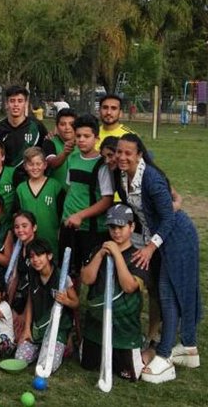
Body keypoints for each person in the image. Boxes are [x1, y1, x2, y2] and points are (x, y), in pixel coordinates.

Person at [115, 134, 201, 383]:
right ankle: (189, 348)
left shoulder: (151, 178)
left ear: (139, 155)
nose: (122, 157)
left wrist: (150, 248)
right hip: (158, 237)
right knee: (166, 291)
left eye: (128, 153)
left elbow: (169, 218)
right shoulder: (123, 175)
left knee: (168, 292)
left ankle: (164, 355)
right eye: (119, 152)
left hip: (177, 237)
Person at [80, 204, 149, 382]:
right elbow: (86, 279)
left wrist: (117, 255)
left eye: (121, 227)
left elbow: (129, 286)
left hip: (124, 331)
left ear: (132, 227)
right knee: (87, 365)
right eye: (112, 227)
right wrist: (100, 255)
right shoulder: (99, 250)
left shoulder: (138, 256)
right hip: (96, 328)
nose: (116, 232)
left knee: (129, 375)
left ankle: (151, 349)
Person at [60, 114, 113, 277]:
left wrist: (80, 215)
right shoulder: (72, 158)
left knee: (92, 273)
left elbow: (107, 200)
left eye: (86, 136)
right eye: (78, 136)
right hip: (69, 224)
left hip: (91, 228)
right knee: (68, 271)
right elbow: (71, 188)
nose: (81, 140)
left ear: (96, 138)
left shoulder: (102, 164)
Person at [15, 239, 78, 374]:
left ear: (49, 256)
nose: (35, 260)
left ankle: (54, 348)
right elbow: (31, 300)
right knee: (19, 358)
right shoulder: (32, 273)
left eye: (39, 255)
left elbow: (76, 303)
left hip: (57, 331)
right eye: (32, 256)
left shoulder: (61, 277)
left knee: (45, 367)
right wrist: (27, 329)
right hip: (38, 329)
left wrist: (66, 300)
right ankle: (41, 349)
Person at [15, 147, 65, 255]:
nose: (35, 167)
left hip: (51, 240)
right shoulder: (21, 189)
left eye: (38, 164)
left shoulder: (55, 186)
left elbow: (63, 215)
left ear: (45, 165)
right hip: (29, 243)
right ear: (25, 166)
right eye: (31, 164)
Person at [0, 85, 48, 181]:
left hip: (30, 180)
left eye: (20, 101)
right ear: (6, 104)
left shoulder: (37, 126)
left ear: (26, 103)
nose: (16, 105)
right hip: (6, 180)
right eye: (12, 101)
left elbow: (45, 153)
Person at [42, 108, 77, 188]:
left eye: (71, 124)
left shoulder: (83, 144)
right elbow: (51, 163)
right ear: (57, 127)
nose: (67, 127)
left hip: (78, 194)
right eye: (62, 124)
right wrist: (64, 154)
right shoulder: (50, 142)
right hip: (54, 193)